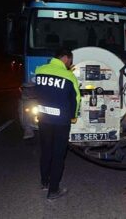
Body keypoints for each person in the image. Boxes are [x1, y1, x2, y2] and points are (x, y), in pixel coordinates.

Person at [35, 48, 80, 200]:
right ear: (66, 58)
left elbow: (40, 91)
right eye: (70, 60)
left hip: (43, 119)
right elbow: (76, 99)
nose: (70, 63)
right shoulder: (69, 76)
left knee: (46, 151)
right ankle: (54, 190)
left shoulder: (40, 70)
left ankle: (44, 182)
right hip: (61, 122)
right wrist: (73, 117)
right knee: (58, 155)